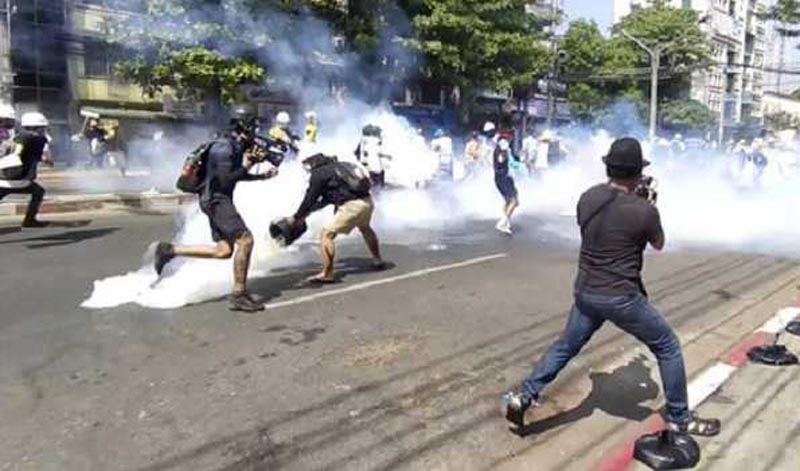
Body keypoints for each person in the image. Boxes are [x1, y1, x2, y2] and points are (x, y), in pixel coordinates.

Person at [502, 137, 721, 437]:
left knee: (566, 346)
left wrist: (635, 201)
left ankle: (524, 396)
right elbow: (658, 243)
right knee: (667, 346)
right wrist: (648, 204)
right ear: (637, 173)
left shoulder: (588, 198)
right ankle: (680, 418)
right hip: (621, 297)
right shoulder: (644, 211)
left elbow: (600, 226)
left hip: (586, 290)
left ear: (609, 168)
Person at [153, 116, 278, 312]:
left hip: (215, 199)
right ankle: (239, 295)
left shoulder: (230, 146)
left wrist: (260, 175)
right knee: (245, 240)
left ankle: (169, 251)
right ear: (243, 129)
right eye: (252, 129)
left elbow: (232, 176)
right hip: (216, 200)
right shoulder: (225, 148)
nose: (254, 134)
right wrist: (249, 164)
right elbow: (225, 180)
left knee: (224, 250)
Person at [289, 153, 384, 284]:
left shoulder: (318, 174)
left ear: (314, 163)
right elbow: (327, 199)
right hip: (367, 202)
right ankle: (377, 259)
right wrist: (306, 213)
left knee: (326, 235)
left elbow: (310, 199)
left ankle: (327, 274)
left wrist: (297, 217)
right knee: (365, 228)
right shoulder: (340, 167)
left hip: (352, 207)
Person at [0, 112, 54, 228]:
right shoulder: (37, 138)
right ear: (38, 127)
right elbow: (23, 147)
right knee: (38, 191)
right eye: (42, 127)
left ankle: (30, 221)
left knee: (37, 191)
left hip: (4, 178)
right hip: (21, 179)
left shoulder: (15, 136)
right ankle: (29, 220)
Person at [493, 139, 518, 235]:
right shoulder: (500, 154)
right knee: (513, 201)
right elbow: (501, 161)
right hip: (503, 179)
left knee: (510, 201)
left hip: (505, 179)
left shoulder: (502, 152)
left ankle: (505, 221)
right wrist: (506, 154)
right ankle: (503, 222)